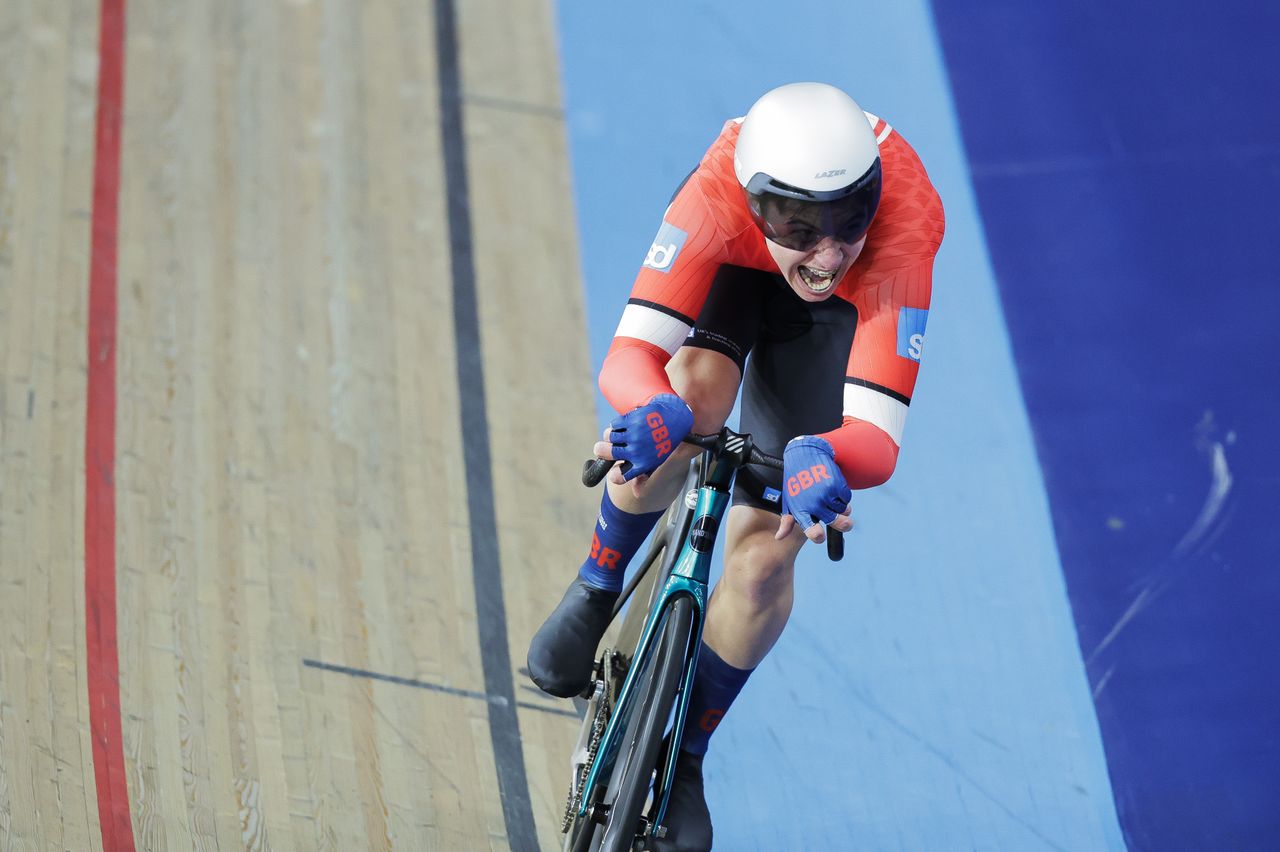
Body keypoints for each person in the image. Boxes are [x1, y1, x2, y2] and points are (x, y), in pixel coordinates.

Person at [528, 82, 944, 850]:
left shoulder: (906, 224)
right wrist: (653, 411)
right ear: (756, 203)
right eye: (802, 226)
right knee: (685, 402)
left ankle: (684, 757)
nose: (828, 252)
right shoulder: (718, 194)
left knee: (762, 561)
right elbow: (630, 359)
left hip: (831, 327)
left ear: (874, 201)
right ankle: (597, 586)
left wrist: (825, 455)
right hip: (735, 271)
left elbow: (877, 437)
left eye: (850, 221)